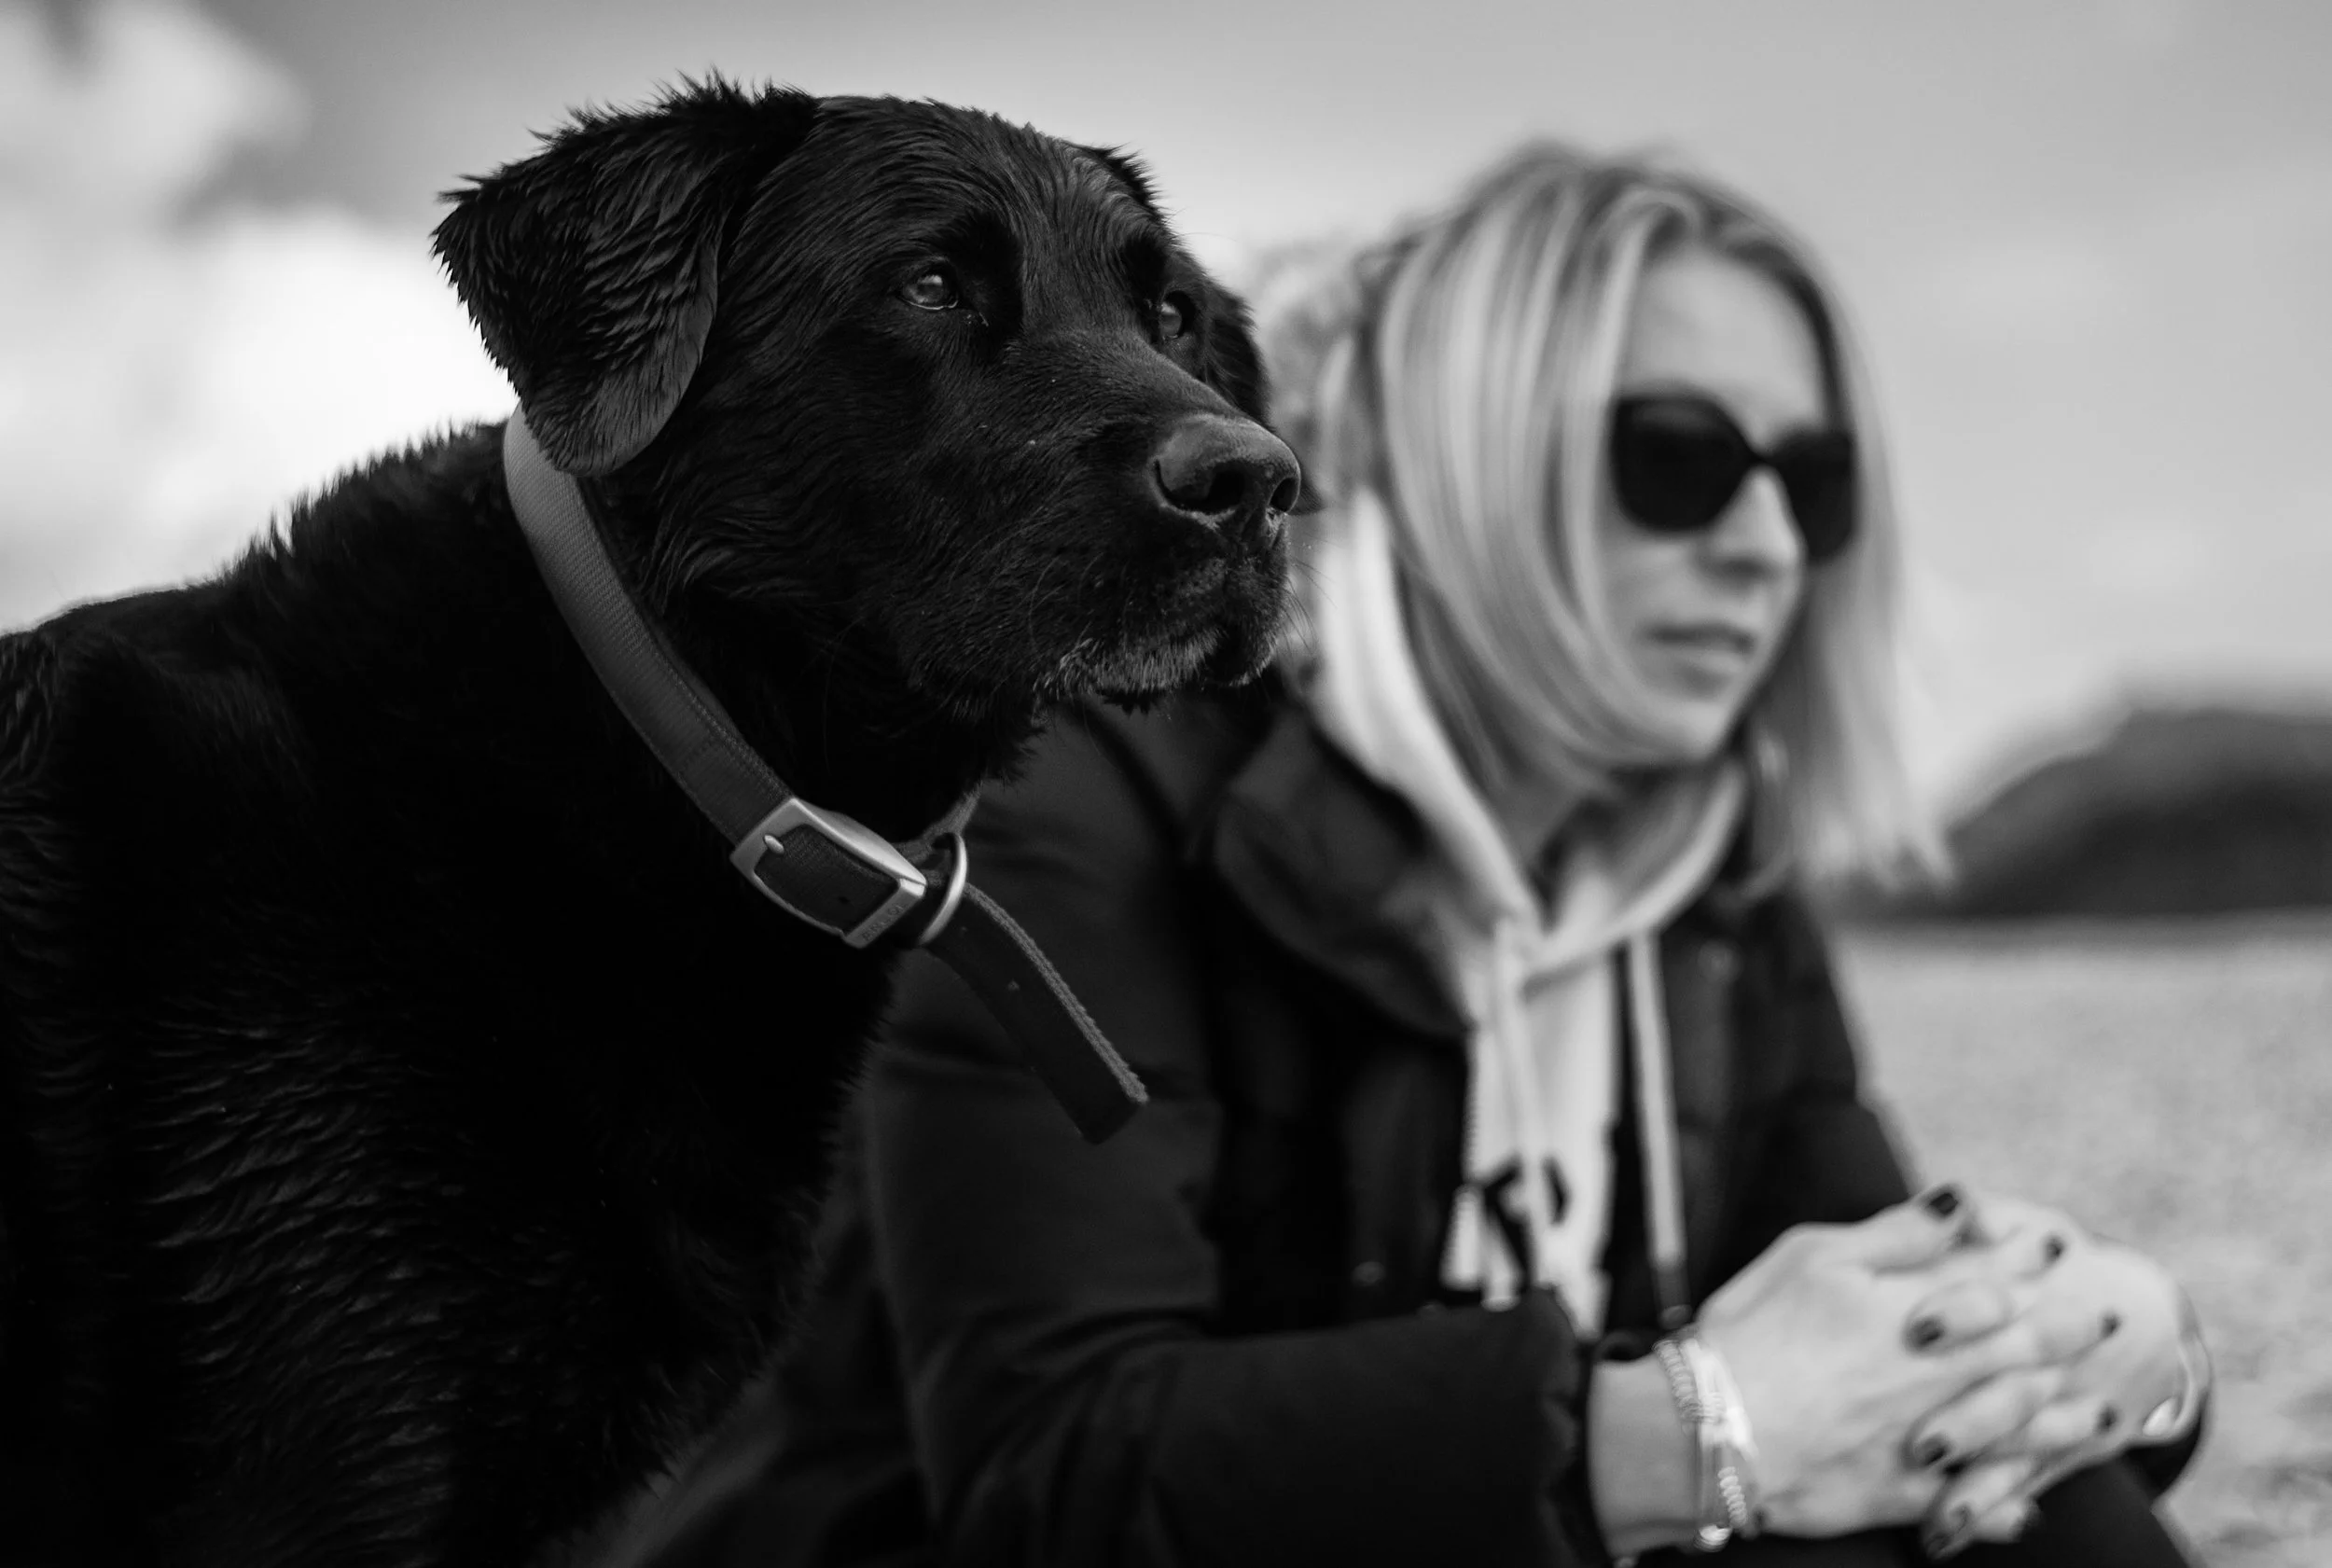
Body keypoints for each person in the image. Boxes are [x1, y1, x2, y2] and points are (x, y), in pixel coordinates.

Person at [632, 144, 2210, 1568]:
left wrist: (2117, 1357)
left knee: (1993, 1495)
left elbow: (1880, 1322)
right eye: (1676, 458)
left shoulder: (1705, 860)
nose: (1767, 548)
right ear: (1468, 448)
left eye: (1812, 482)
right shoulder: (1078, 794)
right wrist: (1698, 1426)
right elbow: (1064, 1474)